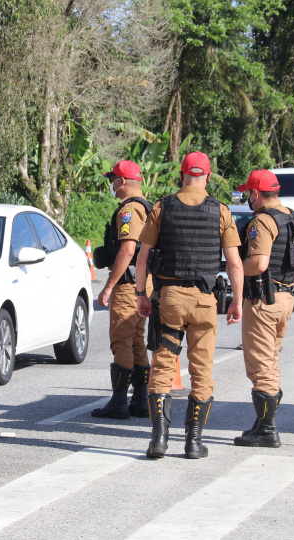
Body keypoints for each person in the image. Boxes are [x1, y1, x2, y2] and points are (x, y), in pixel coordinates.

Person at [134, 152, 244, 459]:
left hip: (169, 299)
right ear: (207, 177)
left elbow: (142, 257)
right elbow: (234, 263)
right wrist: (237, 300)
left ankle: (158, 441)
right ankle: (193, 443)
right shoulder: (220, 211)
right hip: (204, 301)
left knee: (163, 367)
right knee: (202, 370)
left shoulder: (162, 207)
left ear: (181, 175)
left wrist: (141, 293)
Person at [234, 169, 294, 448]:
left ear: (255, 194)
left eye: (247, 193)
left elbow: (258, 263)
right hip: (286, 298)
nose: (246, 198)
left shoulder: (263, 221)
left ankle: (267, 430)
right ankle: (262, 422)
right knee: (271, 361)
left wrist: (234, 273)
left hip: (263, 299)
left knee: (260, 366)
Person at [92, 160, 155, 420]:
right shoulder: (148, 207)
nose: (112, 184)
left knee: (121, 340)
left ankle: (119, 402)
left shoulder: (129, 210)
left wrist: (108, 286)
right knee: (135, 339)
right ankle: (140, 399)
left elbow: (128, 250)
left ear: (124, 182)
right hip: (143, 283)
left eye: (113, 179)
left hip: (129, 284)